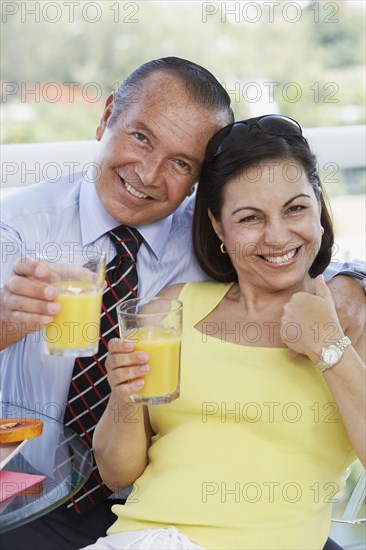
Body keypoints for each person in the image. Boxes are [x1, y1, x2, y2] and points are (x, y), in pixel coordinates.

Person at [0, 56, 363, 549]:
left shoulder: (331, 306)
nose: (149, 175)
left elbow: (295, 254)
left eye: (181, 163)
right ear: (106, 117)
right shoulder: (19, 228)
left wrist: (346, 305)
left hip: (154, 511)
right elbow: (118, 464)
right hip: (34, 492)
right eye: (141, 137)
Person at [84, 115, 365, 550]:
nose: (277, 236)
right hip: (137, 539)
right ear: (218, 227)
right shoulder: (174, 306)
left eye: (295, 209)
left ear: (319, 208)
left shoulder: (352, 319)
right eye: (250, 218)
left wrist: (329, 346)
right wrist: (123, 396)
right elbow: (117, 474)